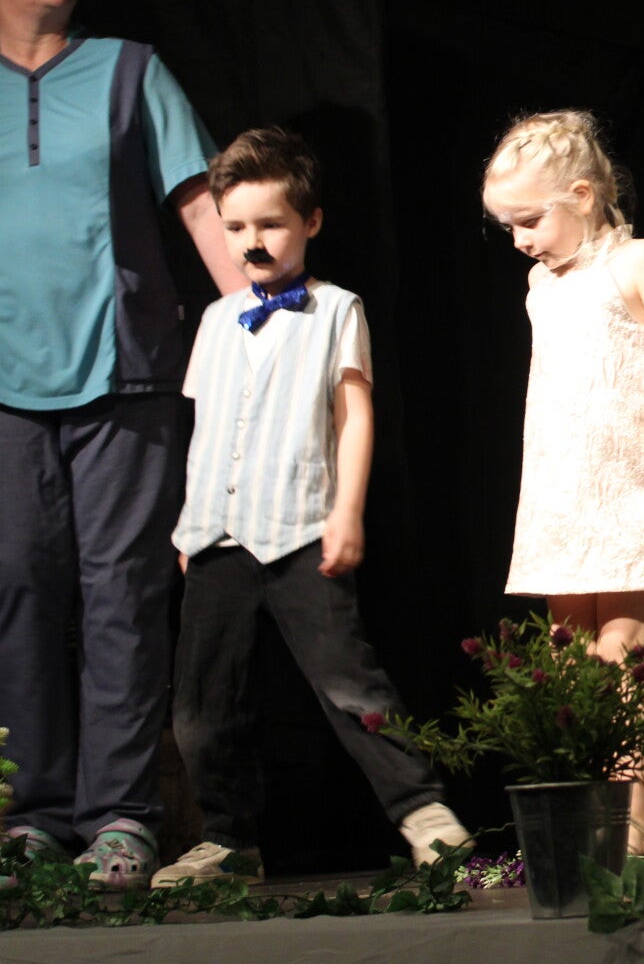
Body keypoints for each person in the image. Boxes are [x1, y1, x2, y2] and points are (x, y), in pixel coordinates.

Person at [0, 0, 248, 890]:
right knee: (13, 590)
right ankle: (32, 818)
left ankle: (123, 817)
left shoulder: (131, 70)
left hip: (126, 373)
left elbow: (200, 207)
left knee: (124, 593)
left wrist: (263, 336)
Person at [154, 127, 469, 887]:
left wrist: (347, 510)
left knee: (348, 684)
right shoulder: (216, 321)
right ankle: (228, 840)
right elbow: (207, 426)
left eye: (270, 224)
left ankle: (426, 816)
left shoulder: (336, 310)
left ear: (311, 222)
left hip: (300, 528)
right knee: (203, 702)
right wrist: (189, 524)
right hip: (217, 535)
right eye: (236, 226)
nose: (252, 242)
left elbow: (353, 415)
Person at [482, 110, 644, 856]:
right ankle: (585, 819)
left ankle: (634, 824)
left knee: (624, 651)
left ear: (582, 196)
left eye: (529, 221)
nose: (520, 240)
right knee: (568, 659)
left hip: (633, 486)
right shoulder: (539, 284)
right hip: (561, 490)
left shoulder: (638, 262)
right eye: (509, 226)